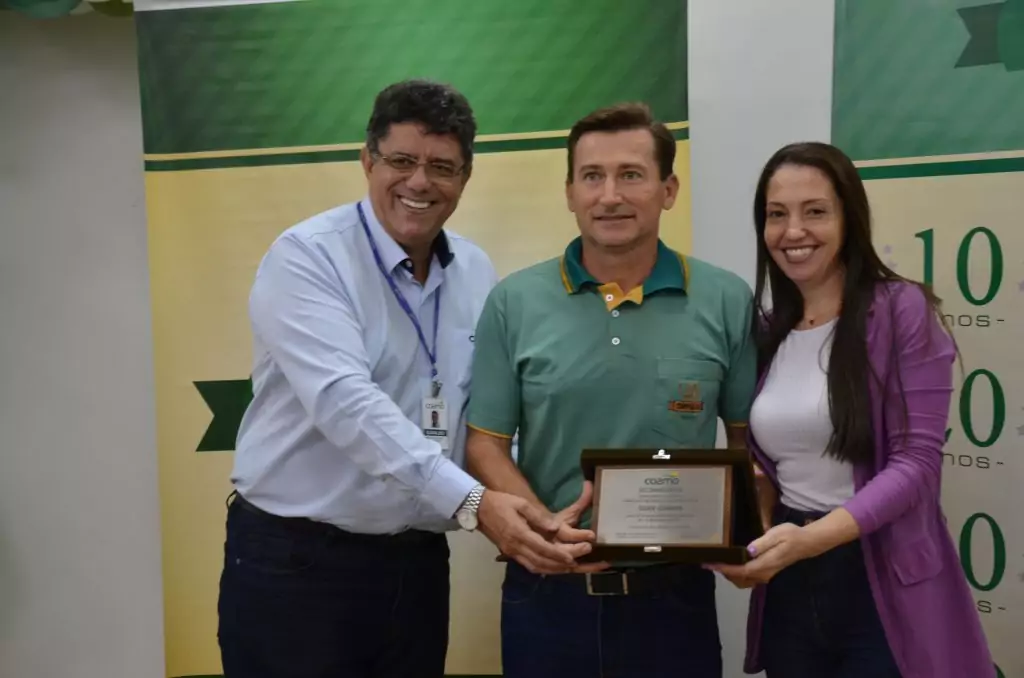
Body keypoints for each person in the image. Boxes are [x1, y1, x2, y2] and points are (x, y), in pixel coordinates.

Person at [217, 79, 586, 678]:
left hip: (414, 566)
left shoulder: (473, 270)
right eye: (402, 161)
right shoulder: (308, 257)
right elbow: (346, 405)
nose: (420, 183)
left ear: (465, 178)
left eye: (442, 166)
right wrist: (474, 503)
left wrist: (544, 513)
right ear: (367, 159)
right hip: (296, 566)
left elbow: (481, 417)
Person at [464, 102, 757, 678]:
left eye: (631, 175)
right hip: (547, 596)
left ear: (668, 189)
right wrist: (545, 530)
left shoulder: (726, 299)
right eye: (592, 177)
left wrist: (746, 532)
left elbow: (751, 441)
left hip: (676, 603)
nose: (610, 195)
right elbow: (484, 445)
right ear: (569, 192)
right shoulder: (514, 302)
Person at [707, 142, 995, 678]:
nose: (793, 232)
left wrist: (809, 541)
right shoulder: (769, 331)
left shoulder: (902, 310)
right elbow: (770, 462)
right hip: (791, 584)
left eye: (815, 211)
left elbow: (917, 463)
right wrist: (757, 527)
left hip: (877, 573)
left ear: (849, 218)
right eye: (776, 215)